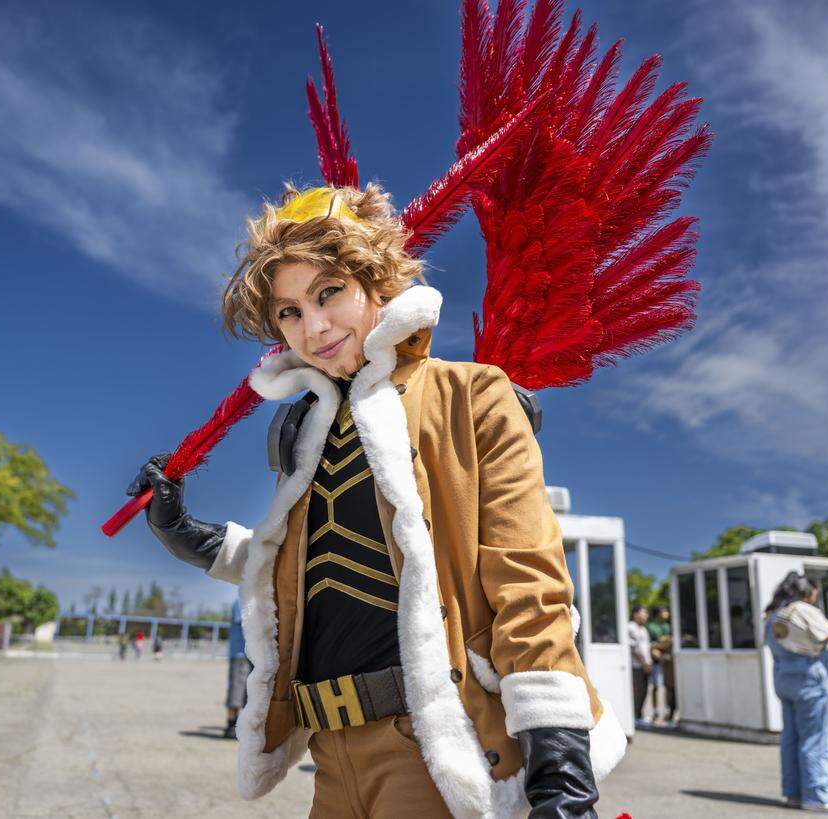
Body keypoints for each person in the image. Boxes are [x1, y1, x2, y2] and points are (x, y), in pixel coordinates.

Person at [126, 183, 626, 817]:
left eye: (328, 292)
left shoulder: (470, 396)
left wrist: (560, 770)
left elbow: (528, 585)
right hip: (330, 760)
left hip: (436, 754)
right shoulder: (307, 432)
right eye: (289, 311)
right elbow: (315, 566)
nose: (313, 326)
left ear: (376, 284)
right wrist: (192, 537)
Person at [764, 571, 828, 815]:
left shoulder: (773, 615)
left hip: (784, 679)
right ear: (807, 592)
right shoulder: (803, 610)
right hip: (811, 680)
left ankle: (794, 793)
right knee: (815, 738)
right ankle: (817, 795)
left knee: (791, 739)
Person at [224, 596, 251, 740]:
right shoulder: (242, 600)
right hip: (240, 654)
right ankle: (230, 725)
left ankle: (241, 726)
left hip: (249, 655)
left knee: (248, 693)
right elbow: (245, 623)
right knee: (236, 690)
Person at [646, 605, 672, 725]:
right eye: (664, 610)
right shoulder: (651, 627)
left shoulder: (667, 626)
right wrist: (660, 644)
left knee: (668, 685)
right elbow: (651, 644)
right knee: (656, 686)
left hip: (667, 660)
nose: (666, 613)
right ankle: (655, 711)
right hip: (656, 660)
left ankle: (668, 711)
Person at [626, 605, 652, 726]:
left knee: (644, 691)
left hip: (645, 665)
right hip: (636, 665)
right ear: (635, 614)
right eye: (643, 612)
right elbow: (633, 648)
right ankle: (634, 715)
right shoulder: (630, 627)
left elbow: (646, 648)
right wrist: (643, 662)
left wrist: (649, 662)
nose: (646, 615)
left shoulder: (643, 629)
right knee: (637, 691)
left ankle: (639, 714)